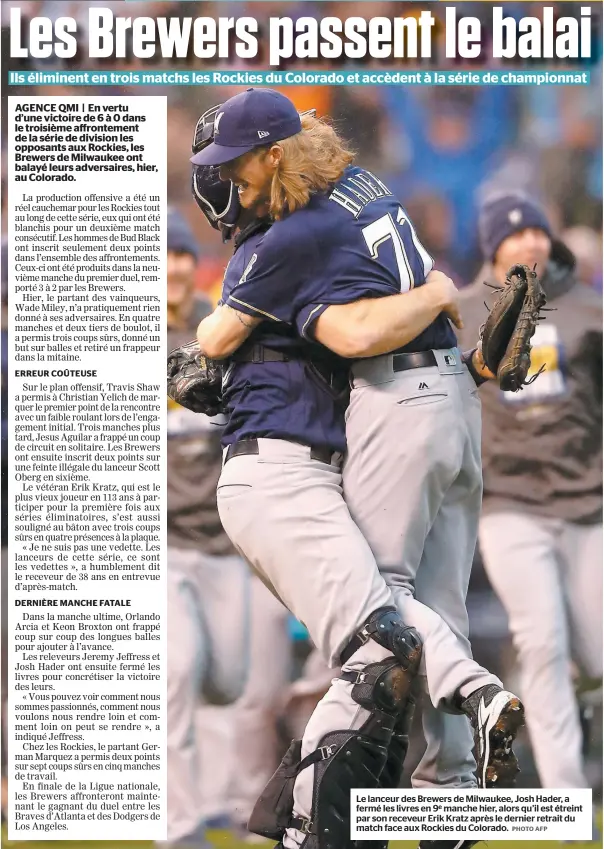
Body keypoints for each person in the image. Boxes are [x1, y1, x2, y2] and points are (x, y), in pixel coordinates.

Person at [191, 91, 524, 849]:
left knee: (387, 617)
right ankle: (453, 809)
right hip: (455, 396)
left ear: (273, 153)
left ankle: (326, 814)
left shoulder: (287, 237)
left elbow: (332, 334)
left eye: (235, 167)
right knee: (443, 608)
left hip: (393, 396)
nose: (231, 184)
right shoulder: (360, 183)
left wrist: (441, 290)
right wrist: (444, 291)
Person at [458, 194, 603, 794]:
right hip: (508, 504)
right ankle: (568, 802)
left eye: (538, 233)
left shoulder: (587, 311)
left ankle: (582, 684)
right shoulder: (463, 314)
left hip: (588, 501)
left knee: (596, 660)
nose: (529, 245)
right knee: (540, 644)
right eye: (514, 237)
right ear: (493, 249)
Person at [164, 208, 252, 849]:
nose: (172, 267)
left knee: (228, 680)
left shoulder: (219, 330)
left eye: (182, 255)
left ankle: (210, 802)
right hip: (160, 543)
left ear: (196, 264)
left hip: (224, 535)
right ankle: (178, 825)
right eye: (162, 257)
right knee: (176, 669)